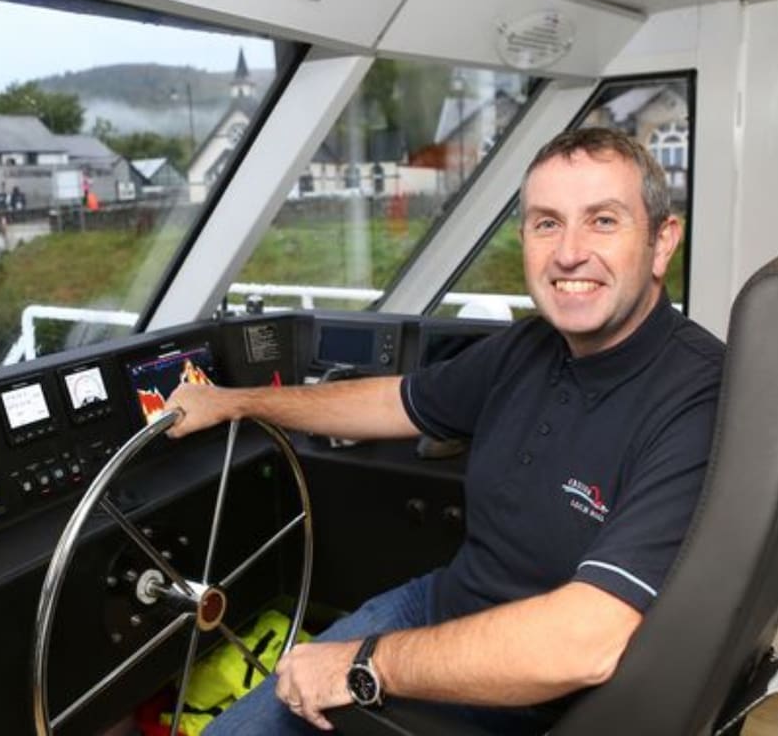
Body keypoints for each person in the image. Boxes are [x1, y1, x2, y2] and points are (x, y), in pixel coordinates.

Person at [166, 127, 725, 734]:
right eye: (546, 223)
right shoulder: (527, 347)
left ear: (662, 242)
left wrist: (363, 663)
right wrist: (234, 402)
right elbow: (391, 402)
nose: (569, 253)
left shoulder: (698, 394)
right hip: (440, 606)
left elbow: (583, 642)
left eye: (603, 221)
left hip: (539, 694)